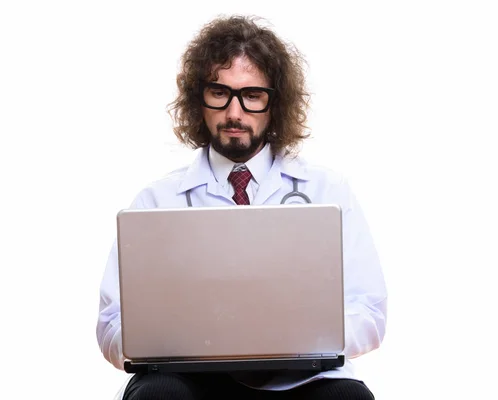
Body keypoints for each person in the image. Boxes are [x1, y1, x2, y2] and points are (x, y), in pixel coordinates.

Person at [96, 15, 387, 400]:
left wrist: (301, 336)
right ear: (198, 99)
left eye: (252, 95)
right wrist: (164, 344)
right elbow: (111, 324)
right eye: (220, 92)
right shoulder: (156, 201)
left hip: (300, 378)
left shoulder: (327, 191)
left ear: (274, 104)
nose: (235, 113)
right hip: (190, 380)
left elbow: (370, 311)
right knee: (159, 395)